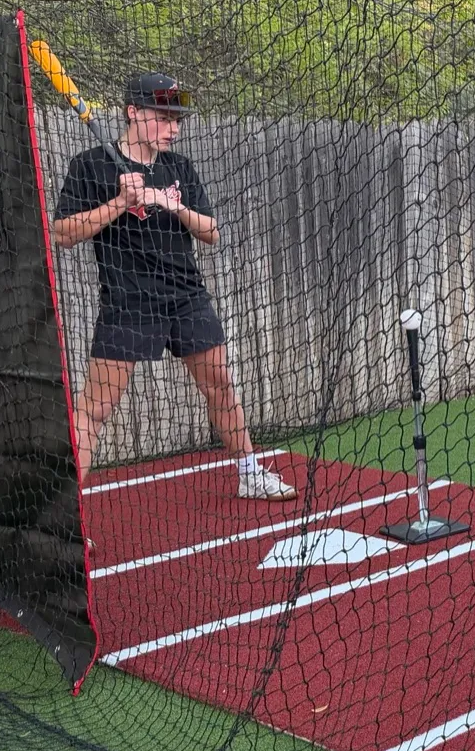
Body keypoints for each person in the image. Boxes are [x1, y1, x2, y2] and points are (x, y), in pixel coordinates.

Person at [51, 71, 297, 502]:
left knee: (220, 382)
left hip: (186, 297)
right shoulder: (90, 165)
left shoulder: (179, 167)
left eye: (177, 120)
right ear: (133, 112)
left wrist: (168, 202)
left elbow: (211, 231)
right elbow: (63, 233)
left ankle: (248, 472)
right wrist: (119, 203)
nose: (174, 128)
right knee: (95, 408)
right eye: (164, 118)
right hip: (129, 301)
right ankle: (64, 511)